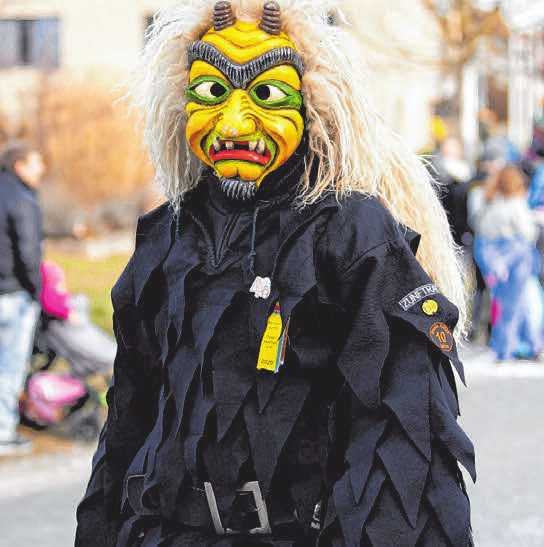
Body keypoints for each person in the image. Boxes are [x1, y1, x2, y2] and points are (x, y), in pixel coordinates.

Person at [76, 2, 475, 545]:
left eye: (264, 94)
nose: (235, 123)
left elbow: (402, 438)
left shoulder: (353, 235)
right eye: (213, 93)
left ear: (310, 102)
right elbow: (128, 420)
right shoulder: (166, 238)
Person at [0, 140, 45, 454]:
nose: (41, 169)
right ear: (20, 165)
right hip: (14, 295)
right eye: (35, 162)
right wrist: (37, 294)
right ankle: (3, 431)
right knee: (10, 366)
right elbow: (29, 253)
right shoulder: (22, 200)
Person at [473, 164, 544, 361]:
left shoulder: (489, 202)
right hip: (516, 259)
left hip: (492, 259)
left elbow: (480, 230)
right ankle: (510, 347)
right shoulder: (516, 204)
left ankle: (529, 345)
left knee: (504, 304)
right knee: (515, 305)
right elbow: (527, 233)